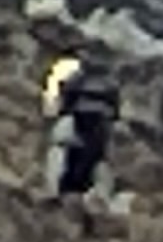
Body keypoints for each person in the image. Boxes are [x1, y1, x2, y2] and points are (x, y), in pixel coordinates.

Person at [41, 44, 121, 203]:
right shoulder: (111, 84)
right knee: (96, 161)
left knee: (64, 150)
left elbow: (65, 99)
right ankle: (99, 198)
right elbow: (115, 110)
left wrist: (61, 110)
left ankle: (55, 190)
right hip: (97, 128)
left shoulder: (77, 79)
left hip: (80, 121)